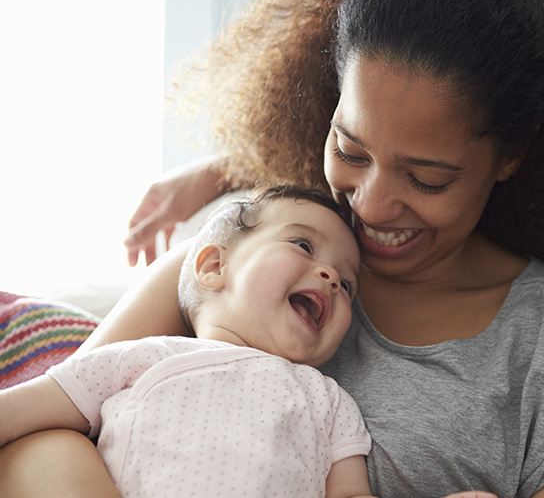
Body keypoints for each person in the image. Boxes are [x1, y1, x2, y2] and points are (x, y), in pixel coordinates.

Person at [0, 0, 544, 497]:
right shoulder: (252, 248)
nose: (369, 203)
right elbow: (46, 429)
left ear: (511, 156)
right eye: (350, 148)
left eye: (426, 177)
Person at [0, 186, 379, 498]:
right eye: (303, 245)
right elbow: (21, 409)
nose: (331, 277)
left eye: (347, 286)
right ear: (214, 267)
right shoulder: (143, 356)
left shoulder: (330, 403)